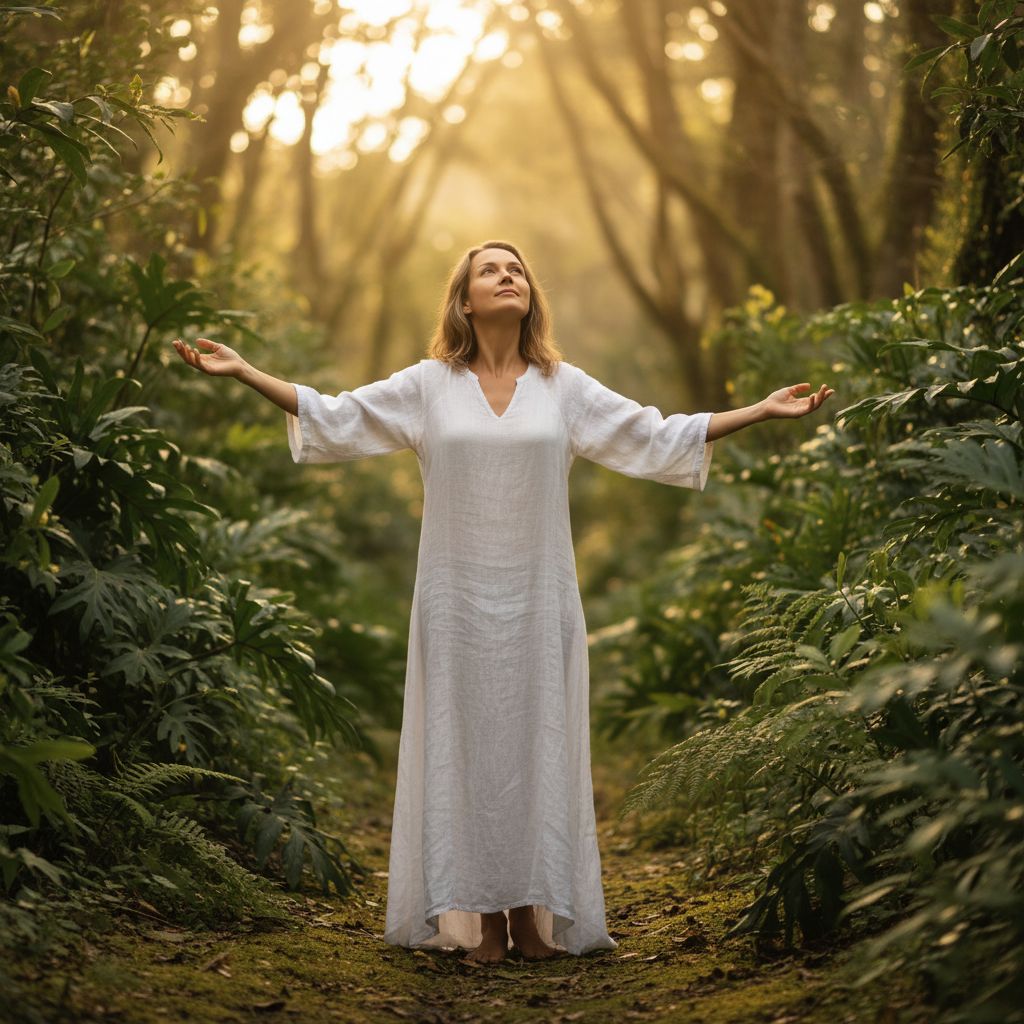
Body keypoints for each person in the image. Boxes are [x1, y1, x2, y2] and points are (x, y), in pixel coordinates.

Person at [172, 239, 833, 965]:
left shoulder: (564, 388)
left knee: (534, 747)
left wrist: (760, 412)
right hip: (454, 601)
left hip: (540, 599)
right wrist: (244, 372)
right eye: (490, 269)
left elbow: (655, 432)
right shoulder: (428, 385)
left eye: (516, 268)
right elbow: (335, 414)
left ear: (529, 296)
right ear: (465, 300)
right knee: (467, 750)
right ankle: (482, 921)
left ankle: (529, 919)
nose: (507, 274)